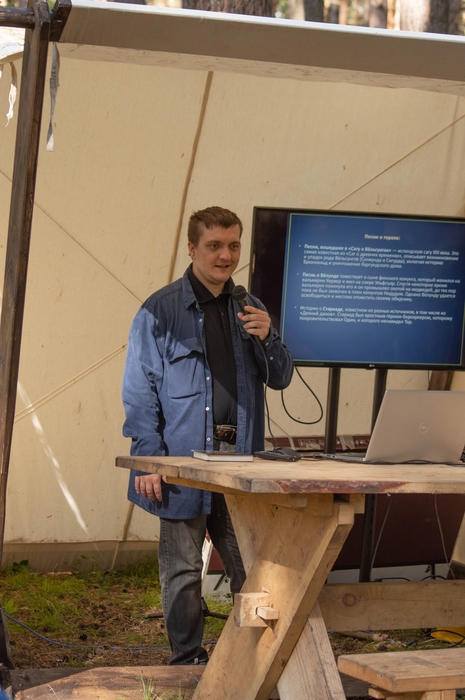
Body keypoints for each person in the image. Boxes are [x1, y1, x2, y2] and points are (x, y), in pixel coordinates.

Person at [122, 206, 293, 666]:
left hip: (239, 463)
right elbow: (139, 391)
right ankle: (186, 662)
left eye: (233, 245)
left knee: (251, 567)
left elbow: (281, 378)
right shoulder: (159, 311)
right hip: (182, 464)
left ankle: (250, 663)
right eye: (214, 245)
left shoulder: (250, 307)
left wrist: (268, 337)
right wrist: (148, 458)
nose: (225, 256)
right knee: (182, 570)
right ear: (192, 248)